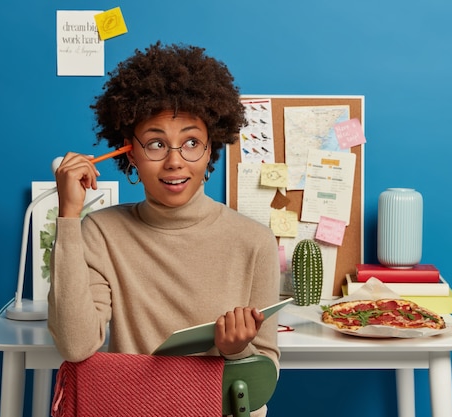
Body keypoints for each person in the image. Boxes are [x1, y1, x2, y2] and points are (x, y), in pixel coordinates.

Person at [47, 42, 281, 415]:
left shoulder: (254, 241)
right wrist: (69, 216)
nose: (175, 161)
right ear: (130, 153)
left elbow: (265, 371)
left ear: (210, 151)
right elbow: (75, 346)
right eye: (156, 143)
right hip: (131, 408)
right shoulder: (100, 232)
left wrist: (237, 348)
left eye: (191, 143)